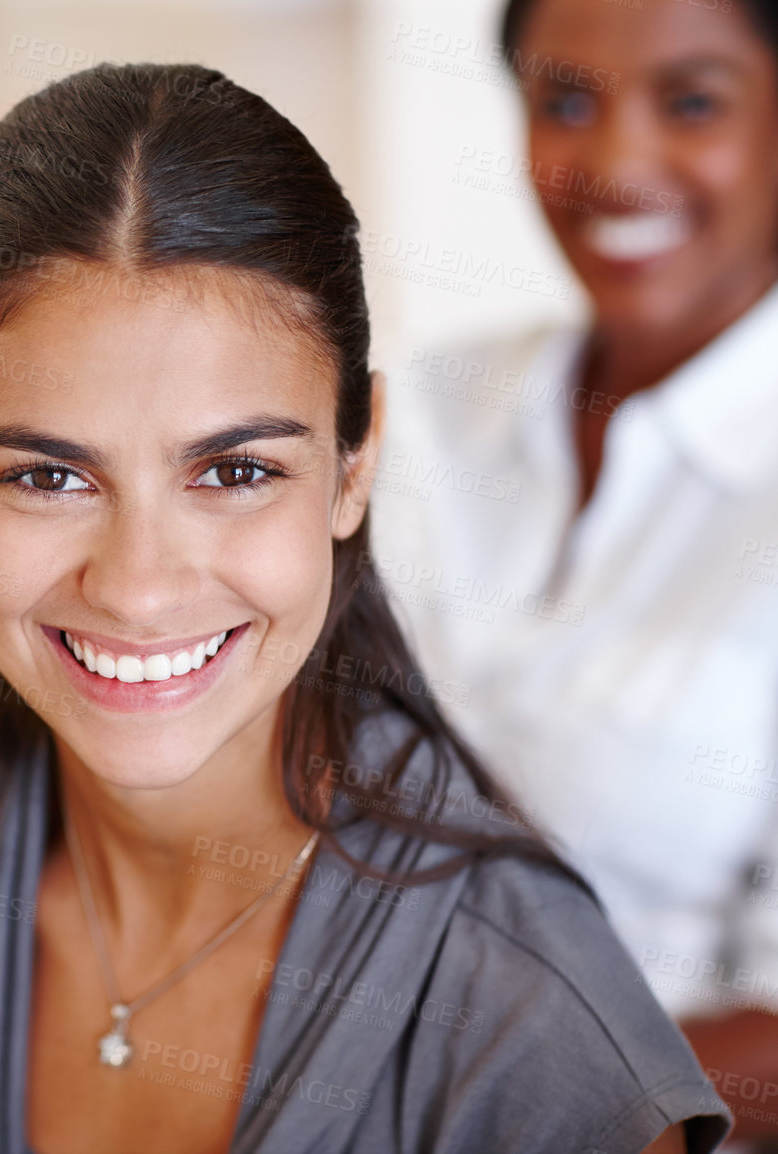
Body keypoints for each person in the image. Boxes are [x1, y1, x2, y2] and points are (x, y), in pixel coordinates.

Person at [0, 62, 731, 1154]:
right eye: (50, 477)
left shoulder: (532, 1029)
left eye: (233, 471)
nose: (138, 586)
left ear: (353, 460)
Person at [371, 0, 778, 1141]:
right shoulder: (424, 416)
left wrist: (476, 1097)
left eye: (691, 101)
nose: (614, 164)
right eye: (564, 102)